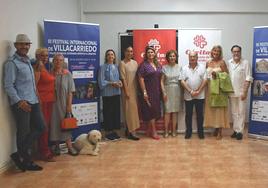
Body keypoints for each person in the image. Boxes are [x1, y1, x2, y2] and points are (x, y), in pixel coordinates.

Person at [4, 34, 45, 171]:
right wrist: (19, 101)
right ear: (16, 46)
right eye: (21, 44)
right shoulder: (12, 63)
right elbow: (8, 85)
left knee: (41, 127)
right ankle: (26, 161)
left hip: (34, 100)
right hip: (22, 103)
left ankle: (19, 154)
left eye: (27, 44)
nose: (25, 46)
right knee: (23, 132)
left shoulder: (27, 61)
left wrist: (38, 60)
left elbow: (36, 62)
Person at [50, 53, 78, 156]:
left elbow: (71, 91)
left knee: (65, 124)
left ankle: (69, 147)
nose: (58, 62)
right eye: (56, 60)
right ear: (53, 62)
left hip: (64, 103)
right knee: (54, 124)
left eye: (61, 60)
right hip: (52, 104)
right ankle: (56, 146)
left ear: (63, 62)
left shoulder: (67, 74)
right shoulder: (50, 74)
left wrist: (69, 106)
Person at [32, 48, 55, 162]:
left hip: (49, 101)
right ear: (37, 56)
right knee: (44, 127)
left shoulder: (45, 66)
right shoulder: (37, 67)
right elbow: (34, 85)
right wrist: (38, 99)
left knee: (46, 127)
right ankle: (44, 152)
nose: (45, 57)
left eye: (47, 55)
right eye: (42, 55)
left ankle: (44, 149)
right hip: (42, 102)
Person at [204, 45, 230, 140]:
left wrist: (218, 74)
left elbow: (227, 75)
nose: (216, 53)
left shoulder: (222, 62)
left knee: (219, 110)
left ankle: (220, 131)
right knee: (212, 109)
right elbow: (206, 76)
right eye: (214, 51)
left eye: (218, 51)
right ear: (212, 51)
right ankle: (215, 128)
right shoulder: (208, 62)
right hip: (210, 89)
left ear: (220, 53)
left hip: (219, 89)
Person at [228, 45, 253, 140]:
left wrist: (245, 92)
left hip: (242, 92)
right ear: (232, 53)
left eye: (238, 51)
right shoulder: (229, 63)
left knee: (241, 112)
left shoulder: (245, 63)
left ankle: (240, 132)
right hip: (231, 92)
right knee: (234, 113)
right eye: (234, 51)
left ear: (240, 52)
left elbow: (248, 77)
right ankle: (235, 130)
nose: (236, 53)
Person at [180, 51, 207, 139]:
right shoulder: (184, 68)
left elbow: (205, 80)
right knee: (188, 115)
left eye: (194, 56)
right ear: (188, 57)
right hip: (188, 95)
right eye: (191, 56)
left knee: (200, 115)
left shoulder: (202, 67)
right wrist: (190, 91)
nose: (192, 58)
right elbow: (182, 81)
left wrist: (198, 91)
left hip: (200, 95)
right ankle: (188, 132)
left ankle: (200, 132)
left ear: (197, 57)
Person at [137, 46, 162, 140]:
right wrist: (144, 92)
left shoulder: (158, 64)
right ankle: (154, 132)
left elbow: (161, 78)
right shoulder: (143, 65)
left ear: (155, 53)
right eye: (148, 52)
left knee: (155, 110)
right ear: (146, 54)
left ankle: (148, 129)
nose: (150, 54)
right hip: (148, 91)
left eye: (152, 52)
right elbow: (141, 79)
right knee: (151, 111)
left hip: (156, 91)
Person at [98, 49, 122, 141]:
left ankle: (114, 132)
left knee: (115, 113)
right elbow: (101, 82)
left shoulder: (116, 66)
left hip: (116, 93)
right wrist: (111, 83)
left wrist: (119, 83)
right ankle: (108, 133)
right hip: (107, 94)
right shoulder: (102, 67)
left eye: (112, 54)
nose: (110, 56)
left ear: (114, 56)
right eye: (108, 54)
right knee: (108, 113)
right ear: (106, 57)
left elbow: (118, 79)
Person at [119, 46, 140, 141]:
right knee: (129, 111)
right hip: (127, 90)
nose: (129, 53)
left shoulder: (135, 63)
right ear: (124, 52)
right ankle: (132, 132)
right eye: (127, 51)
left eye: (131, 51)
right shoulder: (122, 63)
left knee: (134, 111)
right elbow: (122, 78)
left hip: (134, 89)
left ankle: (129, 130)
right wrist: (126, 91)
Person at [160, 50, 182, 138]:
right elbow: (161, 81)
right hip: (167, 90)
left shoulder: (180, 67)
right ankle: (166, 130)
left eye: (174, 56)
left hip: (177, 90)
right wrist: (163, 92)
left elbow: (182, 81)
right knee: (167, 111)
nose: (172, 57)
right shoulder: (164, 67)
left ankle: (173, 130)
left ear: (176, 57)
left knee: (175, 112)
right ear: (167, 58)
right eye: (170, 56)